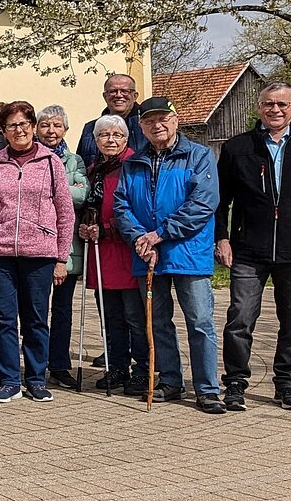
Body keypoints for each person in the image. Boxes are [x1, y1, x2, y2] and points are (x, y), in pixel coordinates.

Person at [216, 81, 291, 412]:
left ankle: (287, 384)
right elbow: (220, 200)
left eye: (282, 104)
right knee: (240, 318)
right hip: (248, 250)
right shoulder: (238, 148)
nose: (275, 110)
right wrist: (221, 238)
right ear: (259, 108)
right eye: (268, 104)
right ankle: (236, 383)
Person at [114, 97, 225, 413]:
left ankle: (207, 389)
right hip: (147, 254)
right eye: (149, 121)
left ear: (176, 120)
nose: (157, 125)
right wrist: (139, 237)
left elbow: (203, 204)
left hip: (187, 253)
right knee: (157, 322)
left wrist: (161, 233)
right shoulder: (133, 162)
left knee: (200, 322)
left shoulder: (199, 156)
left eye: (163, 118)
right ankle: (171, 381)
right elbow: (121, 205)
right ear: (141, 127)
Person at [0, 101, 75, 404]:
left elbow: (65, 214)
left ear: (33, 127)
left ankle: (36, 379)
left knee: (36, 318)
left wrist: (60, 257)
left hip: (40, 253)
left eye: (24, 124)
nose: (19, 130)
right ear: (2, 130)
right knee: (3, 318)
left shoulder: (51, 163)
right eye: (12, 125)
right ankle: (9, 380)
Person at [79, 115, 146, 395]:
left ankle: (142, 369)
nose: (110, 140)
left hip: (126, 251)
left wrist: (107, 229)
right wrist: (85, 225)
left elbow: (138, 208)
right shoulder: (95, 169)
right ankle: (116, 366)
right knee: (110, 316)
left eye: (116, 135)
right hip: (100, 254)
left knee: (135, 316)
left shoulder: (135, 165)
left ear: (126, 138)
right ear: (95, 141)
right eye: (104, 135)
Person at [33, 105, 91, 391]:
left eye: (57, 126)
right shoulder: (30, 158)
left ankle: (59, 365)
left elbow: (82, 195)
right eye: (45, 125)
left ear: (65, 130)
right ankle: (36, 365)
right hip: (36, 246)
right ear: (36, 129)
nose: (51, 131)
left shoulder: (75, 160)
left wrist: (49, 189)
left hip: (66, 248)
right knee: (35, 311)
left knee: (63, 310)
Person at [75, 74, 144, 167]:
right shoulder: (90, 128)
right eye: (113, 91)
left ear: (135, 96)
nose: (119, 95)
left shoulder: (147, 127)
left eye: (125, 91)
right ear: (105, 96)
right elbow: (80, 166)